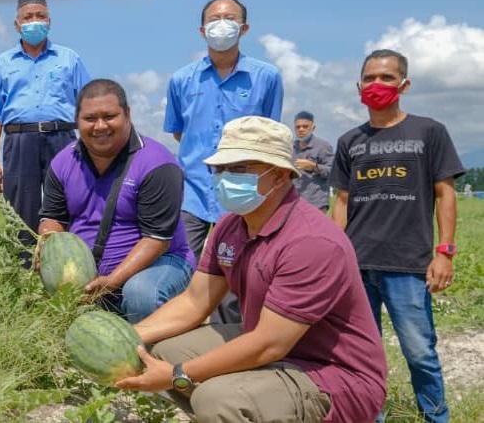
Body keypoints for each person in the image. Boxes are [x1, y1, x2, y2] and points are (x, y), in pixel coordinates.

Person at [117, 116, 387, 423]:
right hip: (277, 347)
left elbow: (269, 344)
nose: (226, 177)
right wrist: (126, 336)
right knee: (165, 351)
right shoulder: (230, 225)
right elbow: (194, 302)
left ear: (281, 174)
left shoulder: (311, 242)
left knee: (216, 399)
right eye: (220, 168)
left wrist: (178, 376)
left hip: (334, 374)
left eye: (240, 168)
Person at [331, 49, 463, 423]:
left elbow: (445, 193)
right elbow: (342, 202)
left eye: (386, 78)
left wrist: (445, 252)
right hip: (356, 264)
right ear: (359, 86)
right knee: (361, 353)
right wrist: (332, 255)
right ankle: (371, 414)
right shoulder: (349, 141)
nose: (377, 85)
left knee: (420, 350)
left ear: (403, 84)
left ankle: (436, 417)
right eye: (370, 78)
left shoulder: (429, 131)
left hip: (407, 263)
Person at [162, 0, 284, 325]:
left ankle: (236, 340)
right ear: (202, 30)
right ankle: (187, 337)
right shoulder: (181, 80)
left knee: (240, 269)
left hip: (244, 188)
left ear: (243, 28)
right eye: (214, 19)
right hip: (194, 190)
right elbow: (178, 133)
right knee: (186, 265)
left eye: (229, 18)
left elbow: (269, 134)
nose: (221, 24)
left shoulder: (266, 76)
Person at [36, 79, 193, 323]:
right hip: (92, 275)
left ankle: (152, 353)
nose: (100, 126)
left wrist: (112, 282)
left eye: (109, 116)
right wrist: (48, 246)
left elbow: (157, 240)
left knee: (141, 295)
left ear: (127, 114)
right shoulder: (62, 162)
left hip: (161, 264)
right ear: (77, 120)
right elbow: (53, 217)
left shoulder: (157, 163)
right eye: (90, 119)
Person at [0, 0, 91, 266]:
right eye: (28, 17)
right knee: (21, 211)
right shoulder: (2, 64)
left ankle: (70, 268)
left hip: (62, 139)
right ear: (17, 24)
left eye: (40, 16)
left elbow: (88, 105)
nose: (34, 21)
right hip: (19, 140)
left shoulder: (69, 59)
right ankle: (24, 272)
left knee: (68, 203)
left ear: (49, 22)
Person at [291, 110, 335, 211]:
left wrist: (314, 167)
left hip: (316, 203)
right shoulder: (291, 147)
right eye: (298, 127)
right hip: (294, 203)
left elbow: (332, 172)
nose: (301, 129)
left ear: (313, 127)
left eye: (305, 126)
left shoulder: (323, 146)